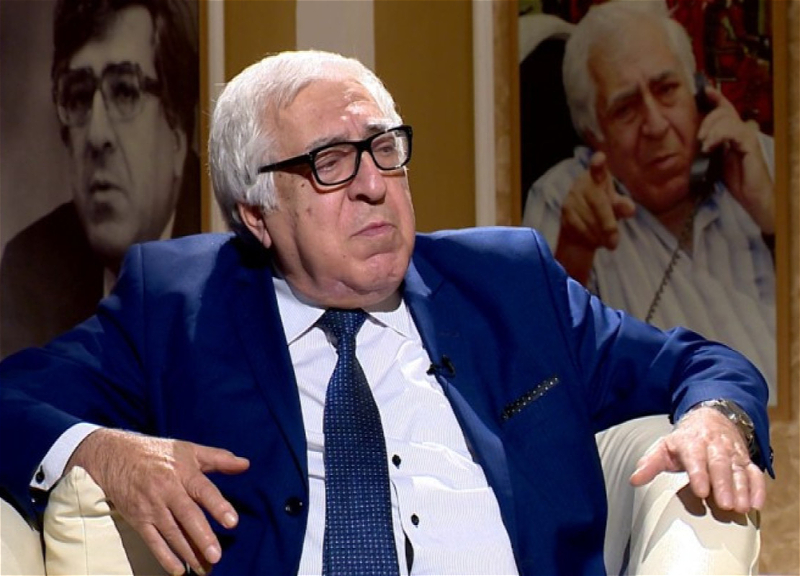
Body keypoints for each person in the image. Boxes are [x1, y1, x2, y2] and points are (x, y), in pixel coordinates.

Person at [0, 50, 771, 576]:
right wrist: (100, 451)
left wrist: (717, 419)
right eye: (330, 163)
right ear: (258, 214)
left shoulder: (508, 282)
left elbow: (702, 364)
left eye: (385, 149)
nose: (374, 185)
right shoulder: (176, 306)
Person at [522, 1, 776, 396]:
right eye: (625, 109)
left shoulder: (765, 160)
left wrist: (773, 213)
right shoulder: (563, 199)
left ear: (700, 93)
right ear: (593, 134)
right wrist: (575, 251)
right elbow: (537, 374)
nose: (656, 125)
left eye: (667, 89)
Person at [0, 0, 200, 358]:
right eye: (78, 96)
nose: (96, 135)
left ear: (177, 132)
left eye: (124, 91)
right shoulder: (32, 270)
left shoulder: (232, 250)